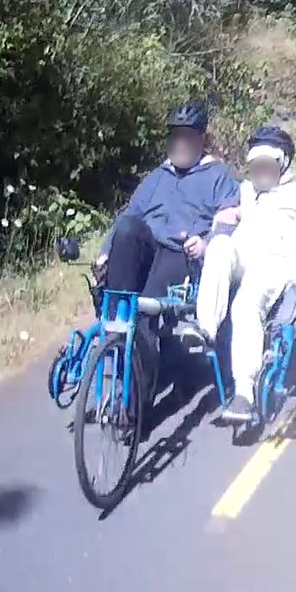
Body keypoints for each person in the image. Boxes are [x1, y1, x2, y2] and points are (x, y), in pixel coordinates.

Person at [95, 100, 240, 399]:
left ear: (201, 138)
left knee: (145, 308)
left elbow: (229, 219)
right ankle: (116, 329)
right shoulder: (157, 176)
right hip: (147, 248)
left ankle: (135, 402)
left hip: (180, 253)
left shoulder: (218, 175)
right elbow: (130, 213)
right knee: (126, 233)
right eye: (175, 137)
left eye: (187, 137)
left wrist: (206, 242)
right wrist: (106, 250)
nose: (180, 143)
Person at [181, 126, 296, 423]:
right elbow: (220, 215)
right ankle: (205, 329)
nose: (261, 170)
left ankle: (244, 393)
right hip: (242, 254)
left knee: (244, 306)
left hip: (275, 264)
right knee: (219, 245)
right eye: (256, 164)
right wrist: (218, 222)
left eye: (267, 164)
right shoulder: (244, 191)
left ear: (281, 163)